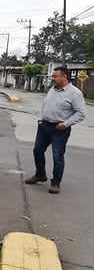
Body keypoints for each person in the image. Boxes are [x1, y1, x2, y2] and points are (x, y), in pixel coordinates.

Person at [25, 66, 85, 194]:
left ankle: (56, 183)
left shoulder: (75, 93)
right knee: (37, 150)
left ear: (64, 77)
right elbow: (46, 105)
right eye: (52, 76)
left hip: (60, 129)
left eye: (55, 76)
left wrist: (66, 124)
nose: (53, 79)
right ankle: (40, 174)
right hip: (44, 126)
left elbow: (80, 113)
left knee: (57, 155)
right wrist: (41, 119)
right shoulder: (52, 90)